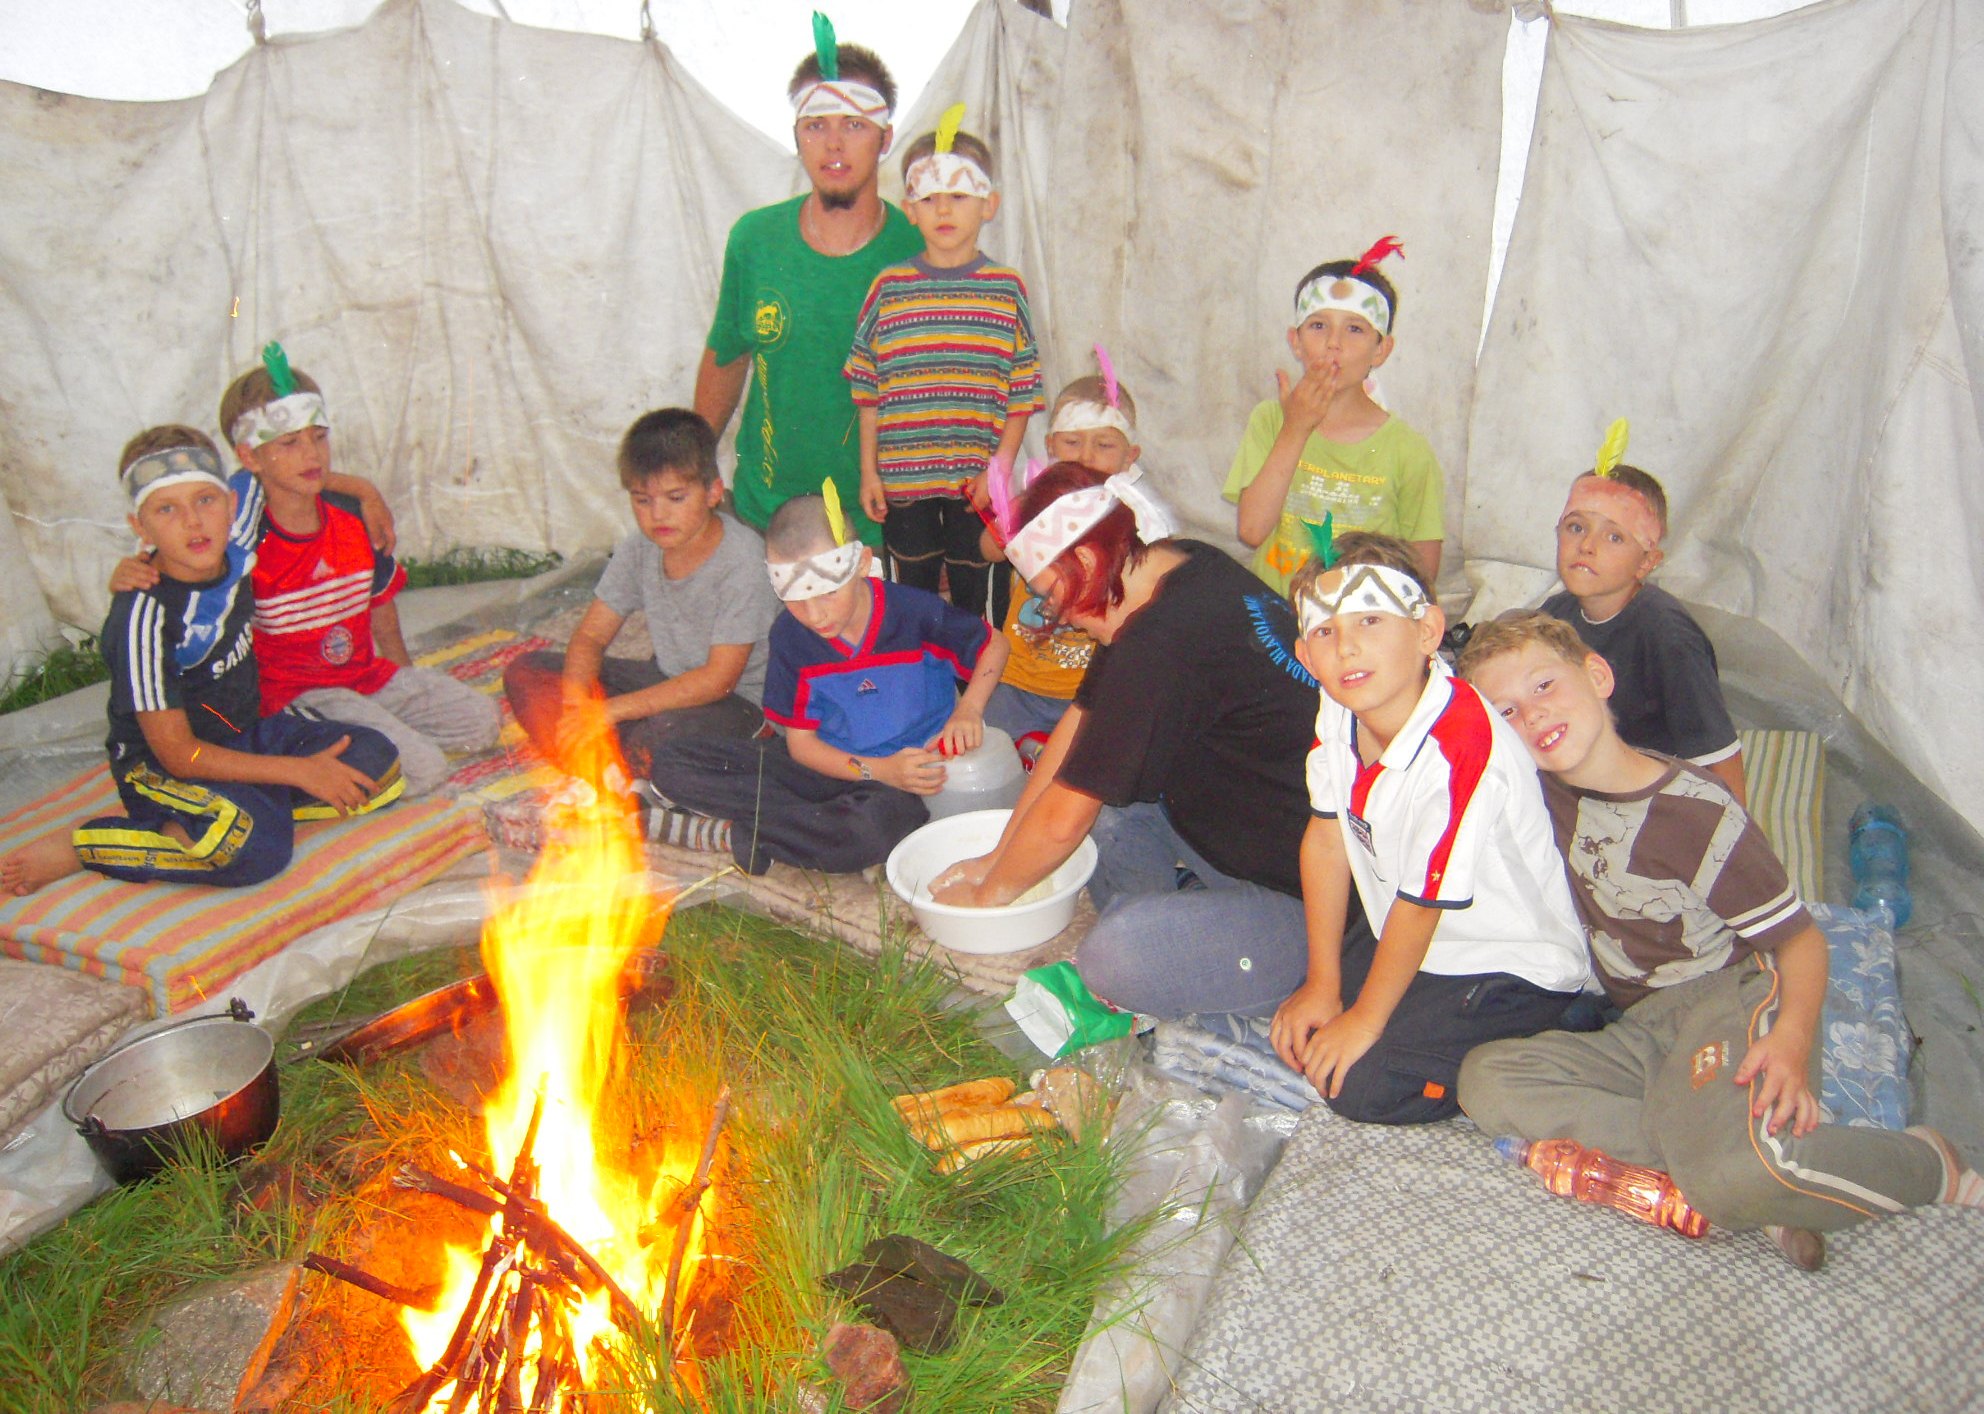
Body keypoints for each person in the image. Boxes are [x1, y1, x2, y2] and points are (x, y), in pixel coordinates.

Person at [1457, 611, 1982, 1267]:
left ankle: (1927, 1165)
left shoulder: (1694, 813)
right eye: (1505, 711)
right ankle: (1723, 1164)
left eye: (1544, 686)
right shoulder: (1538, 793)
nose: (1532, 715)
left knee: (1739, 1171)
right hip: (1639, 1028)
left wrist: (1791, 1041)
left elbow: (1801, 942)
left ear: (1597, 675)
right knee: (1487, 1081)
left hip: (1727, 1001)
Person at [931, 463, 1330, 1023]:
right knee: (1103, 806)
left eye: (1052, 594)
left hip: (1310, 899)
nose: (1060, 617)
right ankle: (1189, 924)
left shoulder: (1160, 643)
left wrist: (985, 899)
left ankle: (1217, 946)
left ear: (1087, 560)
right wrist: (998, 857)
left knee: (1113, 956)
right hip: (1232, 825)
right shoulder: (1182, 564)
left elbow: (1063, 823)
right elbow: (1080, 724)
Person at [1269, 533, 1589, 1125]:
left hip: (1510, 961)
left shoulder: (1460, 745)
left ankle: (1568, 1032)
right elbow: (1327, 839)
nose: (1347, 647)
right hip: (1411, 924)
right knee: (1308, 1023)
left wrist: (1365, 1020)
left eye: (1370, 620)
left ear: (1427, 632)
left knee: (1360, 1084)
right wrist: (1322, 982)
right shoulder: (1342, 704)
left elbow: (1422, 907)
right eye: (1325, 632)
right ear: (1306, 656)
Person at [0, 429, 402, 896]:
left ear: (232, 505)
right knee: (254, 850)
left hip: (247, 732)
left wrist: (366, 492)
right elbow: (178, 753)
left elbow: (288, 471)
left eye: (205, 500)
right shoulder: (144, 617)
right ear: (140, 528)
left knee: (379, 765)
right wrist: (297, 771)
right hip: (165, 765)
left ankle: (248, 804)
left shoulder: (238, 546)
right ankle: (89, 845)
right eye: (166, 510)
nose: (193, 522)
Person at [109, 346, 501, 796]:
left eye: (319, 437)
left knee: (481, 724)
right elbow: (182, 551)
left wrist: (404, 684)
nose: (311, 455)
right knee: (421, 770)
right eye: (289, 443)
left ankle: (381, 733)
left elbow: (380, 605)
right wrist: (132, 570)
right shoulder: (239, 535)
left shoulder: (351, 512)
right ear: (250, 457)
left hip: (364, 677)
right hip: (297, 696)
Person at [641, 490, 1007, 875]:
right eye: (797, 601)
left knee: (874, 829)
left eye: (828, 594)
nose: (815, 615)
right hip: (829, 767)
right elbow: (800, 744)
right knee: (672, 762)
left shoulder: (913, 613)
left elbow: (995, 645)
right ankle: (799, 827)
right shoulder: (790, 636)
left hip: (901, 785)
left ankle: (738, 833)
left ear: (861, 564)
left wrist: (969, 709)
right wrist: (876, 768)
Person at [694, 18, 922, 549]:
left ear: (885, 138)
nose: (834, 144)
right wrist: (694, 466)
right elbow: (727, 356)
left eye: (855, 125)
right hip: (763, 516)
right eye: (816, 125)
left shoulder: (920, 251)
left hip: (879, 525)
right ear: (796, 135)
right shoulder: (755, 240)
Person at [503, 409, 780, 778]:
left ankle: (621, 767)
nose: (658, 515)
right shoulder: (640, 548)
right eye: (642, 500)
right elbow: (590, 636)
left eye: (675, 498)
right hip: (666, 683)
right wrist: (576, 708)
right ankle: (617, 770)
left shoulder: (743, 560)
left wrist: (609, 711)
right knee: (527, 672)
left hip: (737, 705)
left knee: (662, 737)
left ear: (713, 492)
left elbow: (719, 679)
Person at [845, 107, 1040, 616]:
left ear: (989, 204)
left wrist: (999, 468)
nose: (944, 210)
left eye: (959, 196)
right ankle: (920, 664)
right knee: (910, 595)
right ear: (910, 209)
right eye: (929, 198)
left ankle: (977, 666)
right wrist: (869, 472)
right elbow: (867, 390)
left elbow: (1022, 390)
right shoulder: (889, 288)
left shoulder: (1005, 289)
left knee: (978, 595)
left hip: (977, 482)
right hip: (903, 480)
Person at [1223, 237, 1445, 595]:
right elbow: (1251, 531)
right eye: (1318, 326)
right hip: (1274, 616)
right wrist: (1295, 428)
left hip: (1357, 619)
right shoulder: (1271, 420)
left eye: (1355, 329)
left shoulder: (1408, 450)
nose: (1334, 343)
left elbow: (1422, 572)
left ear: (1381, 350)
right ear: (1295, 341)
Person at [1541, 425, 1746, 804]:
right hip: (1587, 779)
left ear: (1646, 562)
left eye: (1614, 537)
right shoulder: (1555, 616)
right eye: (1576, 527)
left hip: (1657, 797)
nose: (1587, 545)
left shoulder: (1667, 635)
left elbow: (1719, 755)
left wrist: (1733, 832)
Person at [978, 370, 1140, 756]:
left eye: (1104, 444)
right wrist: (1022, 508)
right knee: (996, 755)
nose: (1086, 456)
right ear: (1051, 445)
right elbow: (988, 550)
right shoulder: (1035, 502)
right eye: (1072, 442)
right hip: (1018, 680)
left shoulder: (1135, 516)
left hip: (1091, 688)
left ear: (1130, 456)